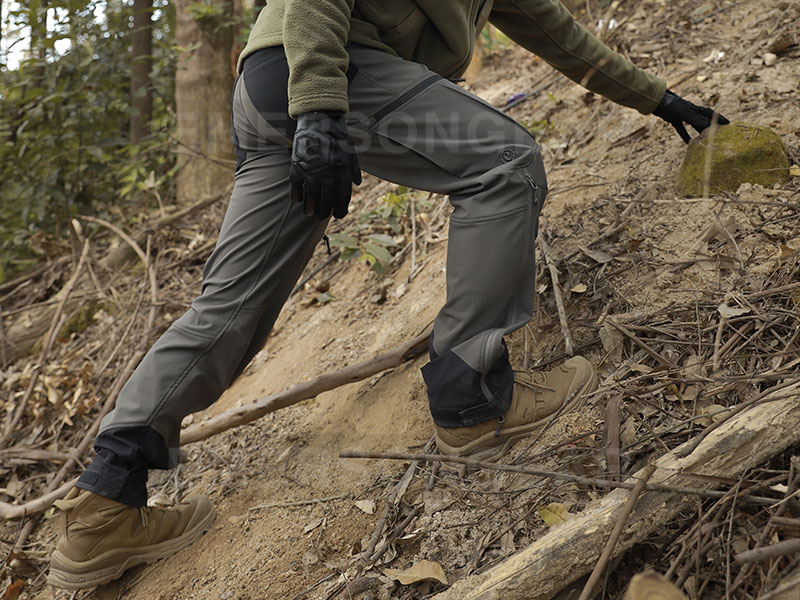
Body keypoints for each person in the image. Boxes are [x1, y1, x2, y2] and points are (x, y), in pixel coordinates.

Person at [47, 0, 727, 590]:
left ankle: (104, 502)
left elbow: (558, 34)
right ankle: (473, 397)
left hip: (267, 88)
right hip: (321, 70)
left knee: (229, 308)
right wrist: (317, 110)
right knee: (505, 159)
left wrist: (658, 98)